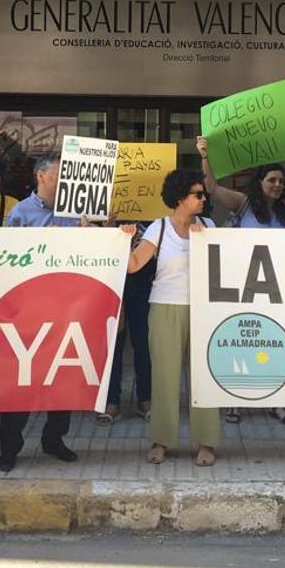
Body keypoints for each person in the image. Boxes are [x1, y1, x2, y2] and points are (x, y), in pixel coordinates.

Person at [196, 135, 285, 425]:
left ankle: (275, 401)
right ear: (260, 182)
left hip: (277, 288)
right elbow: (212, 188)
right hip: (244, 285)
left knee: (274, 342)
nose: (277, 185)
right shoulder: (244, 203)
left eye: (281, 181)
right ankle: (234, 401)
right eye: (272, 180)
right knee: (242, 341)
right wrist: (205, 155)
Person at [121, 168, 220, 466]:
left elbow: (226, 263)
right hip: (164, 306)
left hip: (203, 309)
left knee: (204, 378)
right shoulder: (158, 229)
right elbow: (134, 265)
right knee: (164, 376)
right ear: (180, 198)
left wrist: (209, 242)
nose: (203, 199)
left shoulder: (209, 225)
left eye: (203, 194)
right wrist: (124, 240)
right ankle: (162, 440)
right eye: (197, 194)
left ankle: (206, 442)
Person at [0, 152, 81, 472]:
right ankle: (9, 447)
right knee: (21, 381)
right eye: (60, 174)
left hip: (66, 308)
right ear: (41, 176)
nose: (65, 180)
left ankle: (54, 440)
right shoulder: (20, 213)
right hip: (29, 311)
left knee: (63, 378)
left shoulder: (78, 214)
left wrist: (106, 231)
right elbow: (6, 261)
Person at [98, 220, 152, 426]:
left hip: (144, 280)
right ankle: (111, 400)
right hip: (111, 278)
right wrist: (106, 226)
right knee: (113, 343)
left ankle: (145, 398)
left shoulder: (156, 214)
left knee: (143, 341)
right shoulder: (105, 203)